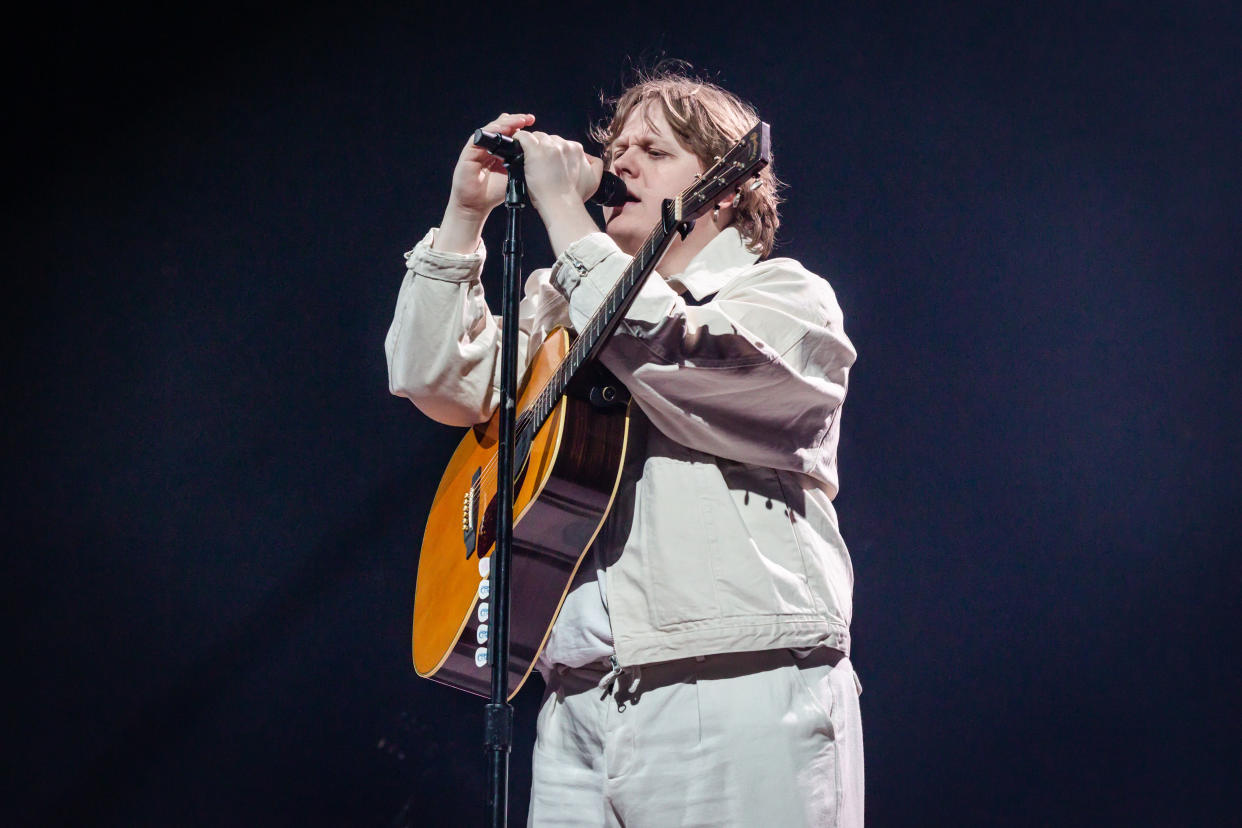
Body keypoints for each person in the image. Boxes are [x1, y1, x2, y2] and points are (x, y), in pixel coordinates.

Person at [386, 68, 862, 827]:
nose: (621, 162)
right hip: (577, 702)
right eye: (618, 145)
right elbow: (430, 377)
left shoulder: (784, 297)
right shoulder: (563, 306)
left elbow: (672, 350)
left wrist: (562, 211)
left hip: (734, 682)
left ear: (728, 187)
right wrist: (463, 216)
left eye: (655, 149)